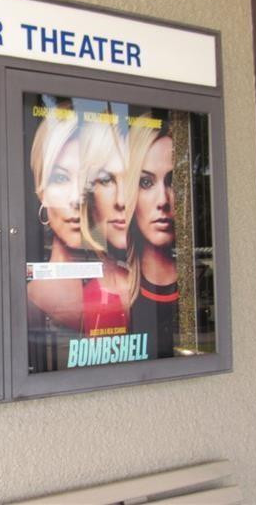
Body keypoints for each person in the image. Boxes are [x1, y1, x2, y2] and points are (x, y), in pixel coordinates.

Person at [26, 110, 84, 329]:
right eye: (60, 177)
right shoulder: (30, 298)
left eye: (88, 178)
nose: (77, 197)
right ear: (42, 192)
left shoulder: (127, 284)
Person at [126, 119, 178, 359]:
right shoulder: (117, 290)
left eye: (172, 181)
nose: (163, 200)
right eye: (146, 182)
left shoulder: (200, 285)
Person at [79, 119, 131, 335]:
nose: (122, 200)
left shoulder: (155, 284)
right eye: (106, 179)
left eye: (132, 179)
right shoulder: (86, 291)